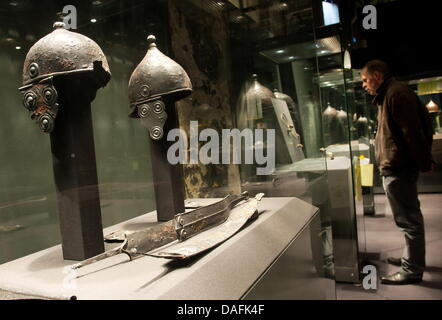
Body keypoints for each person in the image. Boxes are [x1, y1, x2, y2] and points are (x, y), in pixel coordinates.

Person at [361, 60, 434, 285]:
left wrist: (424, 163)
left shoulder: (396, 94)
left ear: (378, 76)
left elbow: (413, 133)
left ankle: (411, 269)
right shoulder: (391, 94)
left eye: (365, 80)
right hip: (397, 167)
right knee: (407, 220)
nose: (364, 85)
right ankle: (409, 259)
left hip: (399, 169)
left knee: (409, 221)